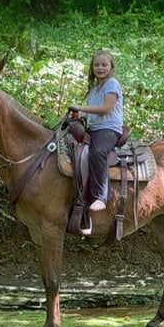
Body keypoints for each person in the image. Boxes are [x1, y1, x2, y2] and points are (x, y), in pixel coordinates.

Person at [68, 50, 124, 212]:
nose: (100, 68)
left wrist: (81, 107)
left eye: (104, 65)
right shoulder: (94, 88)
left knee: (97, 153)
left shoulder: (112, 84)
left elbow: (106, 108)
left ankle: (101, 197)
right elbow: (92, 110)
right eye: (96, 65)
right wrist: (80, 115)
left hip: (109, 129)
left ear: (111, 67)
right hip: (93, 128)